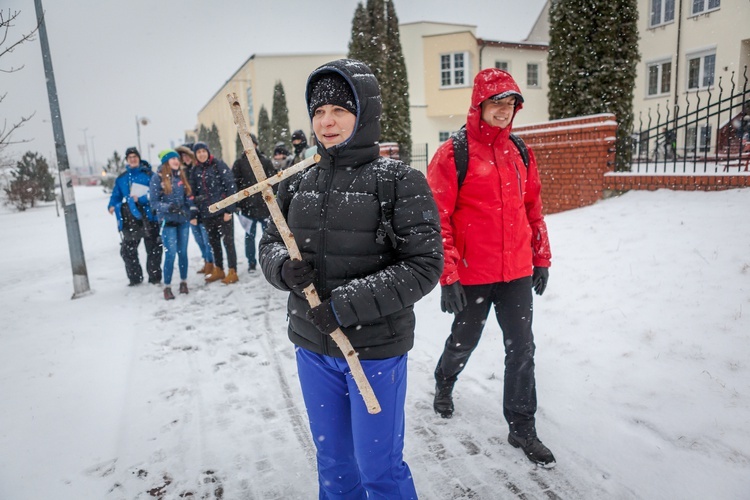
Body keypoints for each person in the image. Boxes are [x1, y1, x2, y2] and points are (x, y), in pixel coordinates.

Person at [259, 59, 443, 499]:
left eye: (339, 110)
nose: (327, 121)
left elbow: (423, 265)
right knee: (335, 465)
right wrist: (282, 267)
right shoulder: (297, 181)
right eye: (319, 111)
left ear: (364, 113)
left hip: (374, 349)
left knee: (377, 466)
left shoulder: (399, 181)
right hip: (312, 346)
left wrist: (345, 305)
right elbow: (268, 243)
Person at [426, 68, 555, 468]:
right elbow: (438, 218)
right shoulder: (454, 153)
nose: (504, 111)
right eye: (496, 103)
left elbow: (533, 209)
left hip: (515, 270)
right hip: (473, 271)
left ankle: (522, 425)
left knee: (522, 349)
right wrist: (448, 276)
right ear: (479, 105)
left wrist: (541, 257)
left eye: (510, 104)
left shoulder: (520, 152)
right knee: (465, 339)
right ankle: (445, 381)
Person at [107, 146, 162, 286]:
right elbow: (116, 196)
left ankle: (154, 277)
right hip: (131, 219)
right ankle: (135, 278)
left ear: (139, 158)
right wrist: (112, 205)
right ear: (127, 160)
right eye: (130, 157)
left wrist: (142, 199)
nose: (133, 159)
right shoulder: (122, 178)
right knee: (127, 251)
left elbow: (156, 194)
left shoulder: (149, 175)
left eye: (135, 157)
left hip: (149, 217)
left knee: (153, 248)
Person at [150, 149, 198, 300]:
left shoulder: (181, 176)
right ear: (166, 162)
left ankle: (183, 282)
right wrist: (168, 207)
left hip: (182, 222)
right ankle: (167, 286)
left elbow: (188, 197)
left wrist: (190, 207)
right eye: (173, 159)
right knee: (170, 254)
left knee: (182, 253)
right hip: (167, 222)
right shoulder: (157, 178)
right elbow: (154, 202)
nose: (177, 161)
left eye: (177, 159)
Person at [189, 142, 239, 285]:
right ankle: (219, 269)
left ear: (208, 152)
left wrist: (229, 209)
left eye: (203, 151)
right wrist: (197, 210)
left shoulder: (218, 165)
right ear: (196, 155)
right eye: (198, 152)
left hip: (223, 212)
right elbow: (193, 193)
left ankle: (232, 271)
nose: (201, 154)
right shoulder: (195, 170)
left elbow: (230, 186)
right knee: (214, 243)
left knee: (228, 242)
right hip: (207, 214)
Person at [232, 133, 276, 272]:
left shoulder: (265, 161)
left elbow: (273, 182)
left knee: (269, 238)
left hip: (265, 206)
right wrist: (238, 204)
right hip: (248, 208)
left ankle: (270, 262)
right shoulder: (239, 163)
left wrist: (273, 199)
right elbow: (235, 184)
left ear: (256, 144)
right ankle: (251, 262)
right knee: (249, 237)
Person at [176, 143, 214, 274]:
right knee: (199, 239)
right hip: (189, 211)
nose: (185, 158)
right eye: (183, 156)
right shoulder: (181, 172)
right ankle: (206, 261)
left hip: (202, 209)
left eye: (187, 155)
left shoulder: (198, 169)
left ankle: (210, 263)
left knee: (206, 238)